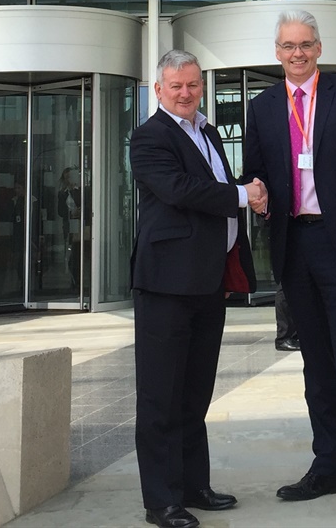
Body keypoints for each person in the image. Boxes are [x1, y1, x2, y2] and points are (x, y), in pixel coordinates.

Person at [242, 10, 336, 521]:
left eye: (306, 44)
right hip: (295, 245)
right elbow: (256, 173)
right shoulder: (262, 106)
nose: (297, 53)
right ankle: (328, 464)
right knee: (317, 365)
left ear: (319, 48)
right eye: (288, 45)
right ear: (277, 51)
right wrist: (258, 195)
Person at [129, 49, 268, 528]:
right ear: (159, 90)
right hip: (167, 284)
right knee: (160, 395)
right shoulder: (149, 137)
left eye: (192, 85)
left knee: (194, 392)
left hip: (207, 282)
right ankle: (162, 502)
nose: (185, 93)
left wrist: (248, 189)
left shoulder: (207, 131)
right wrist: (241, 195)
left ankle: (194, 485)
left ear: (201, 86)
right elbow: (181, 190)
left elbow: (217, 183)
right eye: (176, 87)